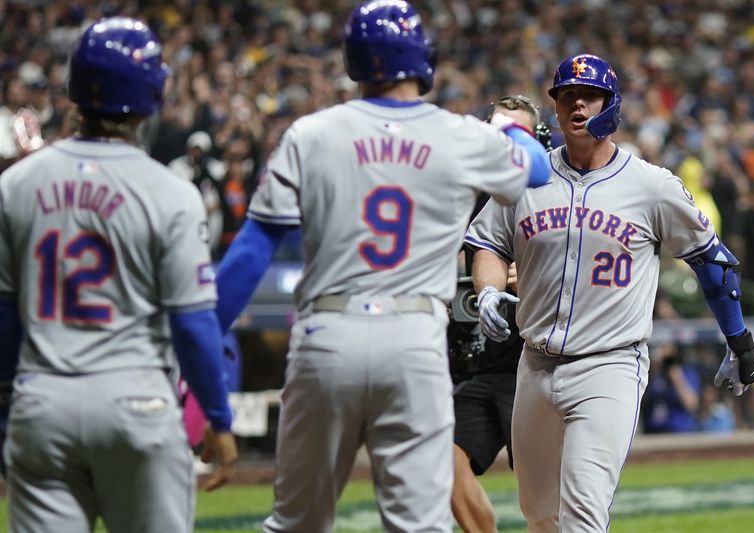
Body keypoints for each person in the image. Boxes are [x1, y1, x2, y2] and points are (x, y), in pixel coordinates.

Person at [212, 2, 549, 531]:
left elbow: (250, 254)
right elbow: (537, 168)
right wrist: (509, 130)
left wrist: (202, 350)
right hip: (413, 337)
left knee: (295, 522)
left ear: (353, 61)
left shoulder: (310, 133)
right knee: (418, 525)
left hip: (327, 333)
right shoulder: (458, 134)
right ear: (424, 62)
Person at [466, 53, 754, 532]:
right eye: (566, 96)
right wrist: (488, 291)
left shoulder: (651, 186)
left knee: (583, 512)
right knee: (539, 513)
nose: (577, 104)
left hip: (610, 365)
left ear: (612, 103)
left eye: (589, 95)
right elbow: (487, 244)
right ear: (556, 109)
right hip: (535, 364)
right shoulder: (523, 180)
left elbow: (712, 262)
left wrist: (740, 340)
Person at [0, 17, 237, 533]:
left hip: (44, 399)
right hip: (137, 399)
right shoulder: (171, 192)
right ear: (152, 94)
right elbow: (193, 323)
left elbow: (4, 316)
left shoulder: (16, 185)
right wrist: (217, 417)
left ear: (75, 90)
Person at [449, 94, 551, 533]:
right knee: (440, 463)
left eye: (516, 133)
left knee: (547, 497)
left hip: (534, 363)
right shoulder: (457, 195)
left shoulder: (549, 196)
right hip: (478, 364)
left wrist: (529, 273)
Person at [168, 130, 227, 260]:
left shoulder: (215, 168)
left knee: (209, 254)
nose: (197, 154)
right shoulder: (177, 166)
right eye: (195, 149)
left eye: (200, 150)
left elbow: (222, 195)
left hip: (211, 218)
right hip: (185, 215)